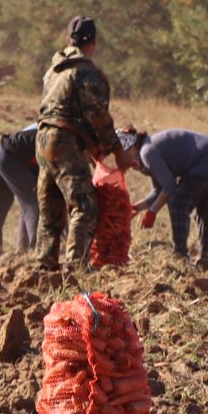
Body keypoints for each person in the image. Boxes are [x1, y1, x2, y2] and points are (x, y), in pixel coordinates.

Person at [35, 15, 128, 270]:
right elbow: (97, 115)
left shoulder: (53, 71)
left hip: (42, 140)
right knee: (85, 206)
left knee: (51, 208)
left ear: (68, 40)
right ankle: (76, 268)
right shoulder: (85, 72)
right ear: (93, 43)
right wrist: (116, 150)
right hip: (64, 141)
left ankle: (44, 264)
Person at [131, 127, 208, 268]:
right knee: (204, 211)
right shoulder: (148, 148)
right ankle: (206, 257)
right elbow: (157, 190)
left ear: (133, 146)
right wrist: (135, 208)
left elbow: (169, 187)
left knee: (178, 203)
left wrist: (153, 212)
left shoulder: (146, 152)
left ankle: (181, 255)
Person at [0, 123, 40, 256]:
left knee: (3, 203)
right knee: (34, 201)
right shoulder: (56, 135)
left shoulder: (43, 125)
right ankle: (36, 251)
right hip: (8, 155)